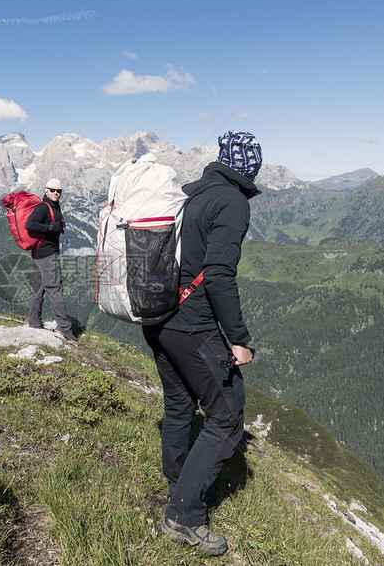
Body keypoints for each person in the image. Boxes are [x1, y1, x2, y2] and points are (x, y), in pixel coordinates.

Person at [142, 130, 262, 556]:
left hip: (157, 317)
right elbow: (218, 274)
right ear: (251, 168)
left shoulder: (192, 194)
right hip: (193, 326)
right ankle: (183, 516)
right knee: (227, 418)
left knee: (178, 405)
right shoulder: (232, 201)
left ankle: (178, 485)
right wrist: (240, 339)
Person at [25, 178, 76, 340]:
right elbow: (29, 224)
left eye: (59, 191)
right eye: (53, 190)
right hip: (47, 255)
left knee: (39, 287)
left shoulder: (54, 206)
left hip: (40, 254)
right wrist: (49, 228)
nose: (56, 193)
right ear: (46, 190)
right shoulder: (43, 207)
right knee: (55, 289)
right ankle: (64, 328)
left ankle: (34, 321)